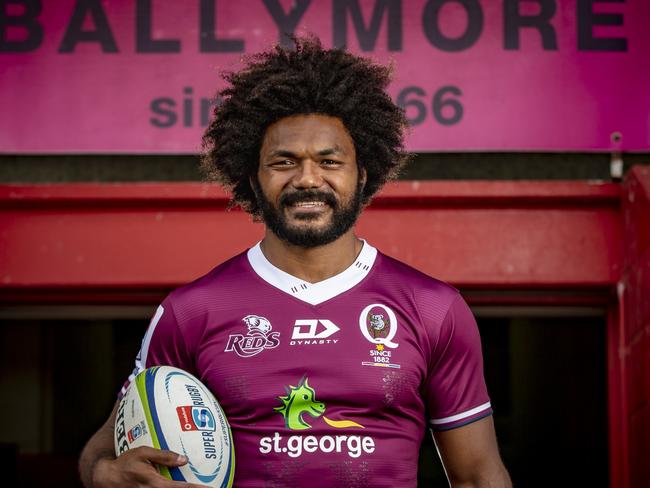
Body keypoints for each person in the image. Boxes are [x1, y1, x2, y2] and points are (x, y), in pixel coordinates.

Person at [79, 37, 511, 488]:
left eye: (329, 161)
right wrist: (104, 473)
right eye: (283, 161)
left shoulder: (433, 308)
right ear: (252, 177)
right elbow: (103, 451)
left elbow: (479, 475)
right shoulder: (190, 312)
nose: (307, 178)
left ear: (362, 174)